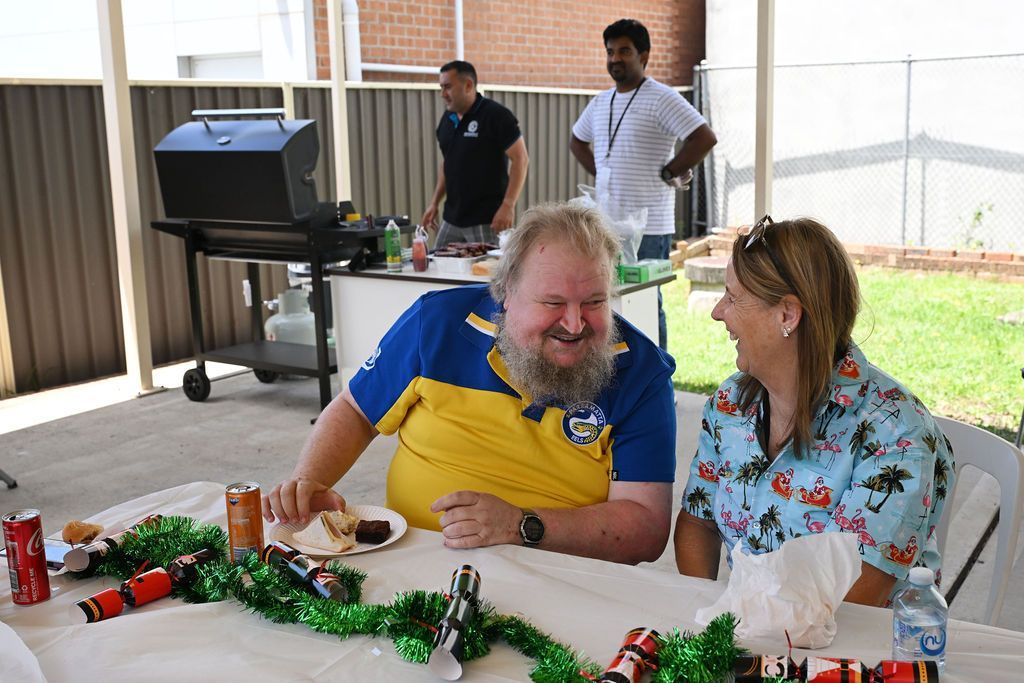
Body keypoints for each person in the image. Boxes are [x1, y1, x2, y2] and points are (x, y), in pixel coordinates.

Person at [264, 203, 676, 564]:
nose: (575, 323)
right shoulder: (437, 324)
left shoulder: (641, 373)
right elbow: (356, 410)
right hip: (411, 555)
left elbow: (645, 527)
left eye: (595, 302)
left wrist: (521, 525)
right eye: (553, 303)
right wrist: (310, 481)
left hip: (561, 572)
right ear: (505, 295)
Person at [674, 216, 955, 607]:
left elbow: (854, 598)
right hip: (747, 639)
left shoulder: (896, 435)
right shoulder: (730, 404)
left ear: (787, 315)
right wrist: (708, 619)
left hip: (857, 656)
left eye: (733, 297)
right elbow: (697, 521)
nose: (718, 312)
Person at [570, 18, 717, 351]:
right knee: (613, 304)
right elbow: (577, 141)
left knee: (647, 304)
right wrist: (602, 172)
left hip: (649, 227)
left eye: (624, 51)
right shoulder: (601, 101)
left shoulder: (661, 97)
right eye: (610, 52)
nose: (615, 59)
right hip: (606, 224)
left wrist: (672, 170)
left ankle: (656, 385)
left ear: (644, 56)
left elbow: (704, 137)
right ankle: (626, 380)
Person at [421, 60, 529, 247]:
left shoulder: (496, 116)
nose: (442, 94)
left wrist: (508, 205)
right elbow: (448, 163)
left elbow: (521, 159)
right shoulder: (447, 119)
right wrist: (434, 203)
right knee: (441, 270)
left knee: (488, 274)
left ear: (468, 85)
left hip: (487, 221)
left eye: (447, 87)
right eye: (441, 87)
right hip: (451, 220)